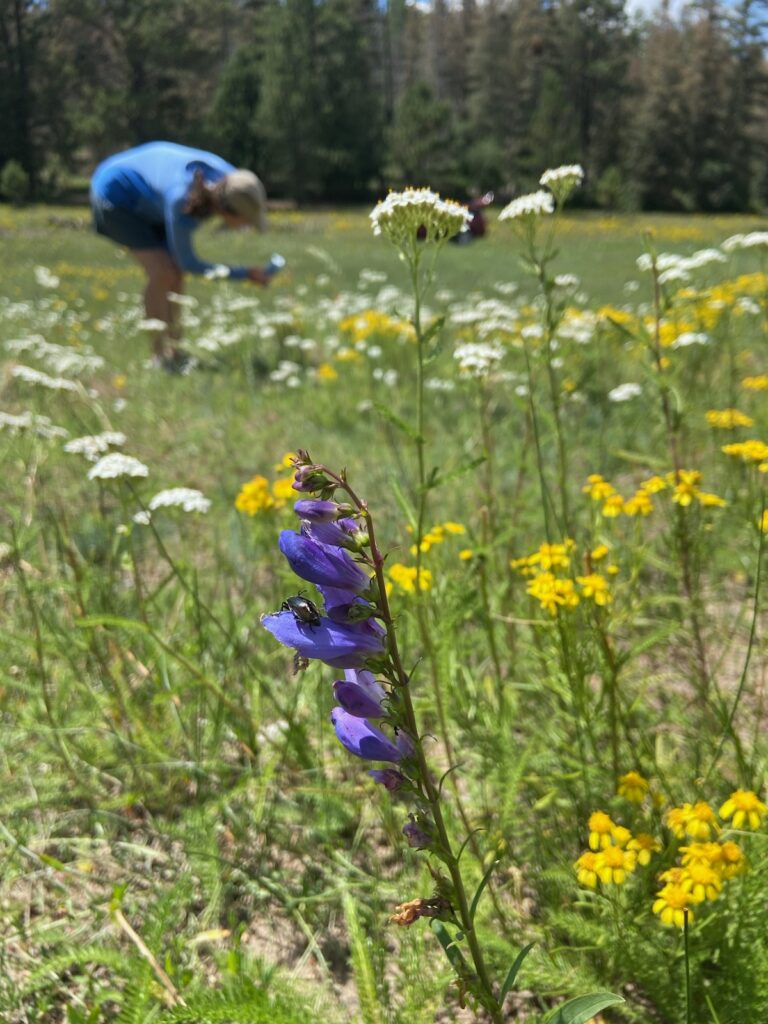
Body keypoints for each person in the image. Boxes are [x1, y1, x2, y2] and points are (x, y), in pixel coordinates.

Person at [90, 141, 271, 371]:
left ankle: (175, 352)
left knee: (175, 274)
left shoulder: (235, 183)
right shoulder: (182, 199)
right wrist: (245, 274)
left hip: (149, 197)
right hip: (116, 195)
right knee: (163, 272)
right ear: (226, 211)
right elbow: (189, 263)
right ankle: (159, 358)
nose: (246, 226)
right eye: (245, 220)